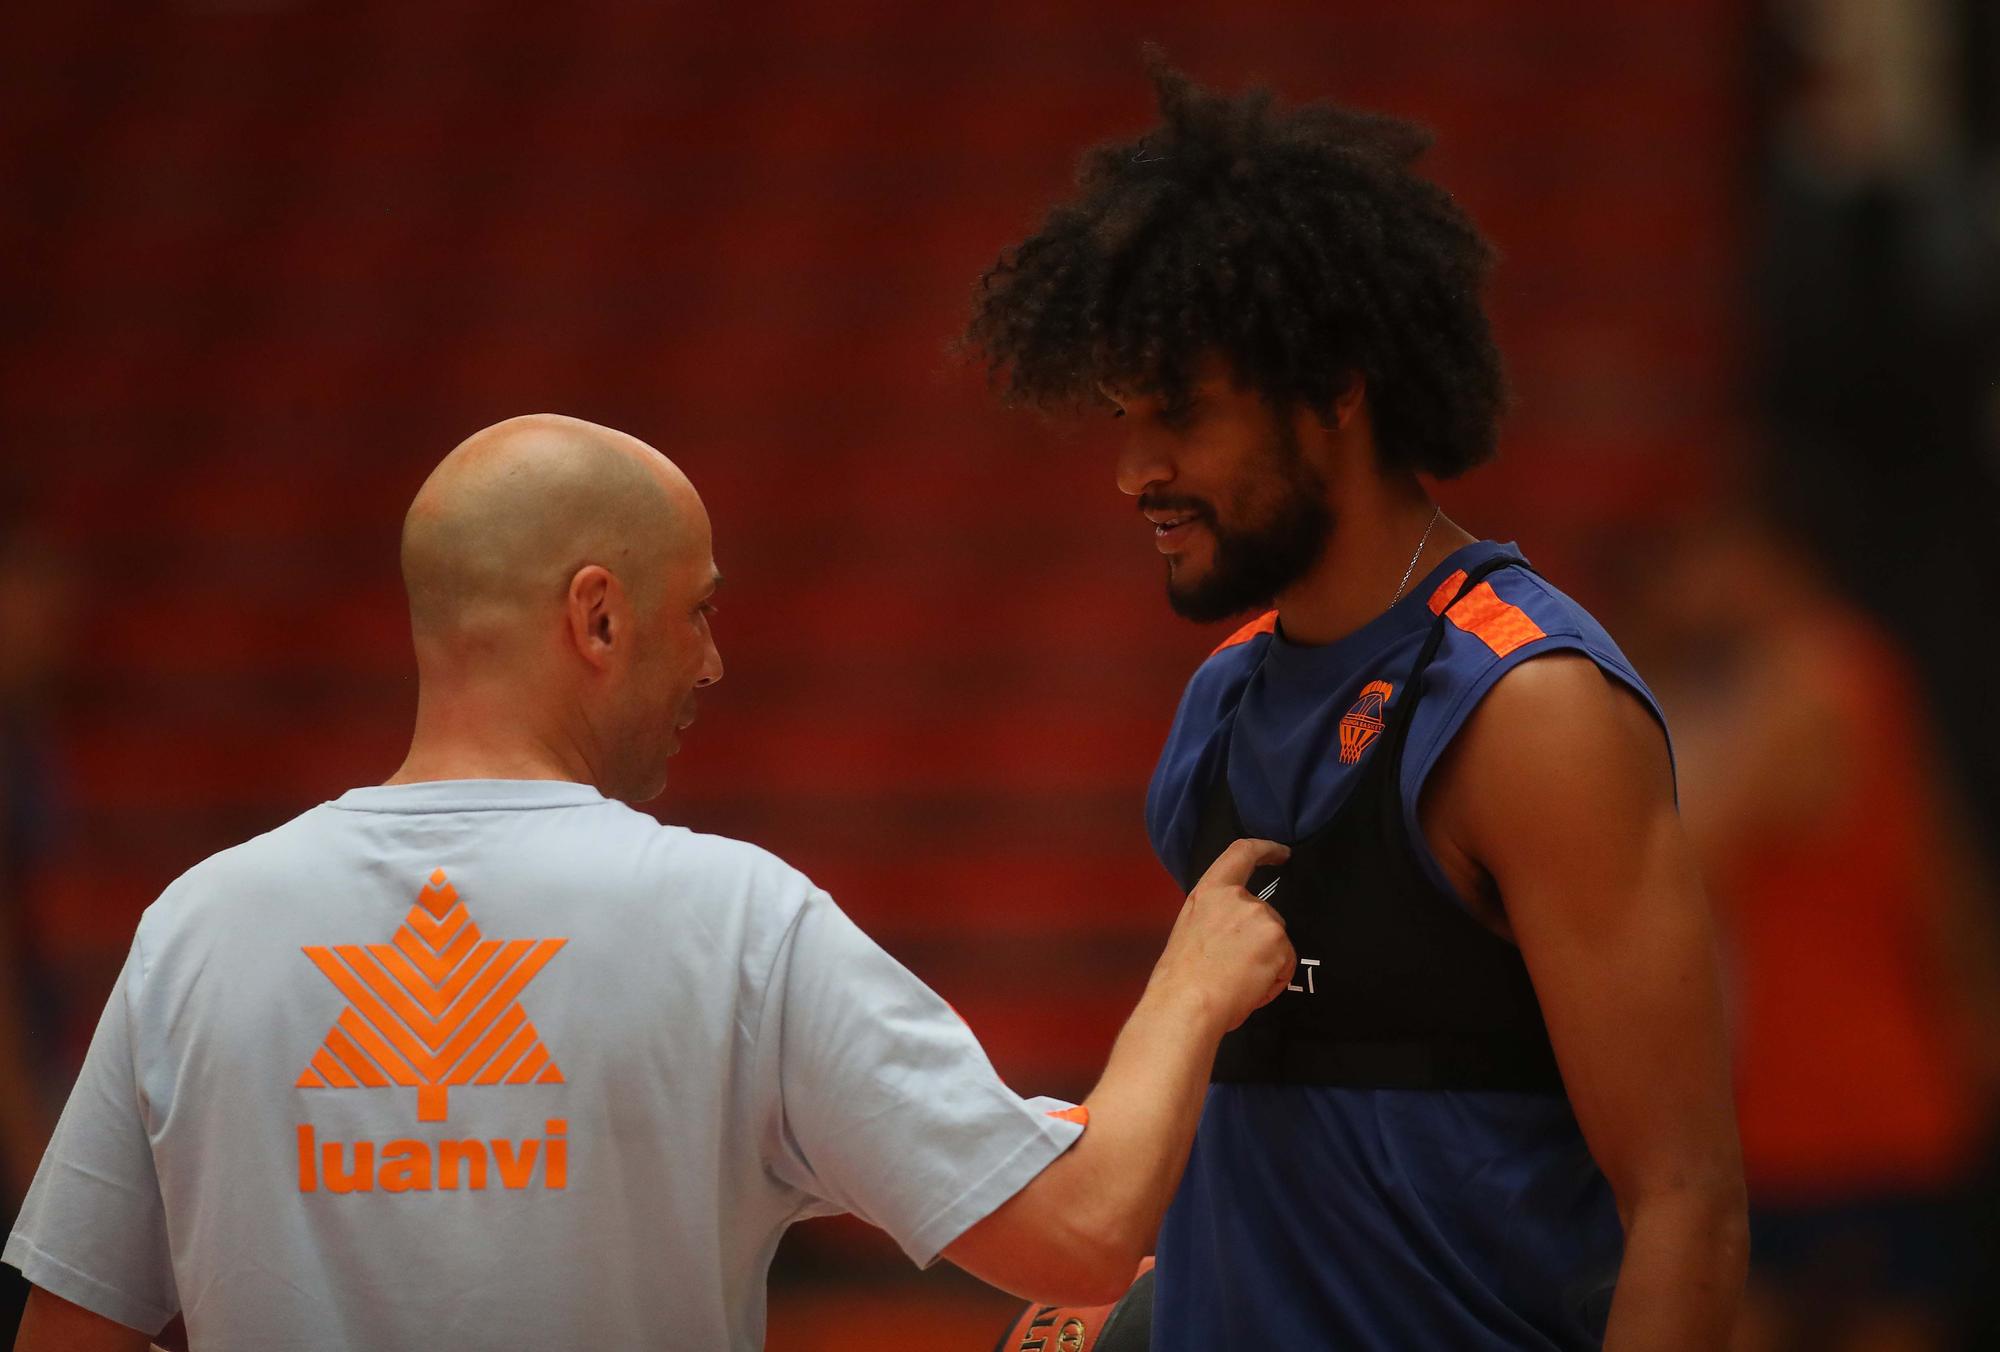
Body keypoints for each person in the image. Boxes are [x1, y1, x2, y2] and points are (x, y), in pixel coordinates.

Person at [1, 414, 1296, 1352]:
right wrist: (1188, 985)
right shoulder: (734, 922)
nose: (713, 667)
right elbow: (1075, 1238)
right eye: (700, 615)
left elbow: (69, 1335)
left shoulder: (197, 928)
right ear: (600, 618)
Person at [963, 61, 1748, 1350]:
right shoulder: (1223, 697)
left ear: (1334, 389)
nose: (1130, 472)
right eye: (1118, 418)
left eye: (1178, 417)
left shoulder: (1526, 705)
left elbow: (1685, 1204)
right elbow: (1287, 1149)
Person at [1626, 515, 2000, 1352]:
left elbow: (1679, 866)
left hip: (1825, 1108)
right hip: (1883, 1098)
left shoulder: (1809, 677)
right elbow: (1945, 877)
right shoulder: (1863, 668)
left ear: (1759, 555)